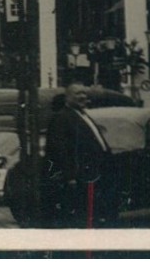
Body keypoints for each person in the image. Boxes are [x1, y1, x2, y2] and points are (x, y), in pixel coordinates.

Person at [45, 84, 114, 227]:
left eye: (85, 93)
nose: (83, 97)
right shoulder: (62, 117)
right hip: (80, 176)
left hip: (95, 174)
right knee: (81, 216)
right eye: (78, 94)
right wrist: (70, 175)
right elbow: (59, 150)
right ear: (68, 97)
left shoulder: (83, 115)